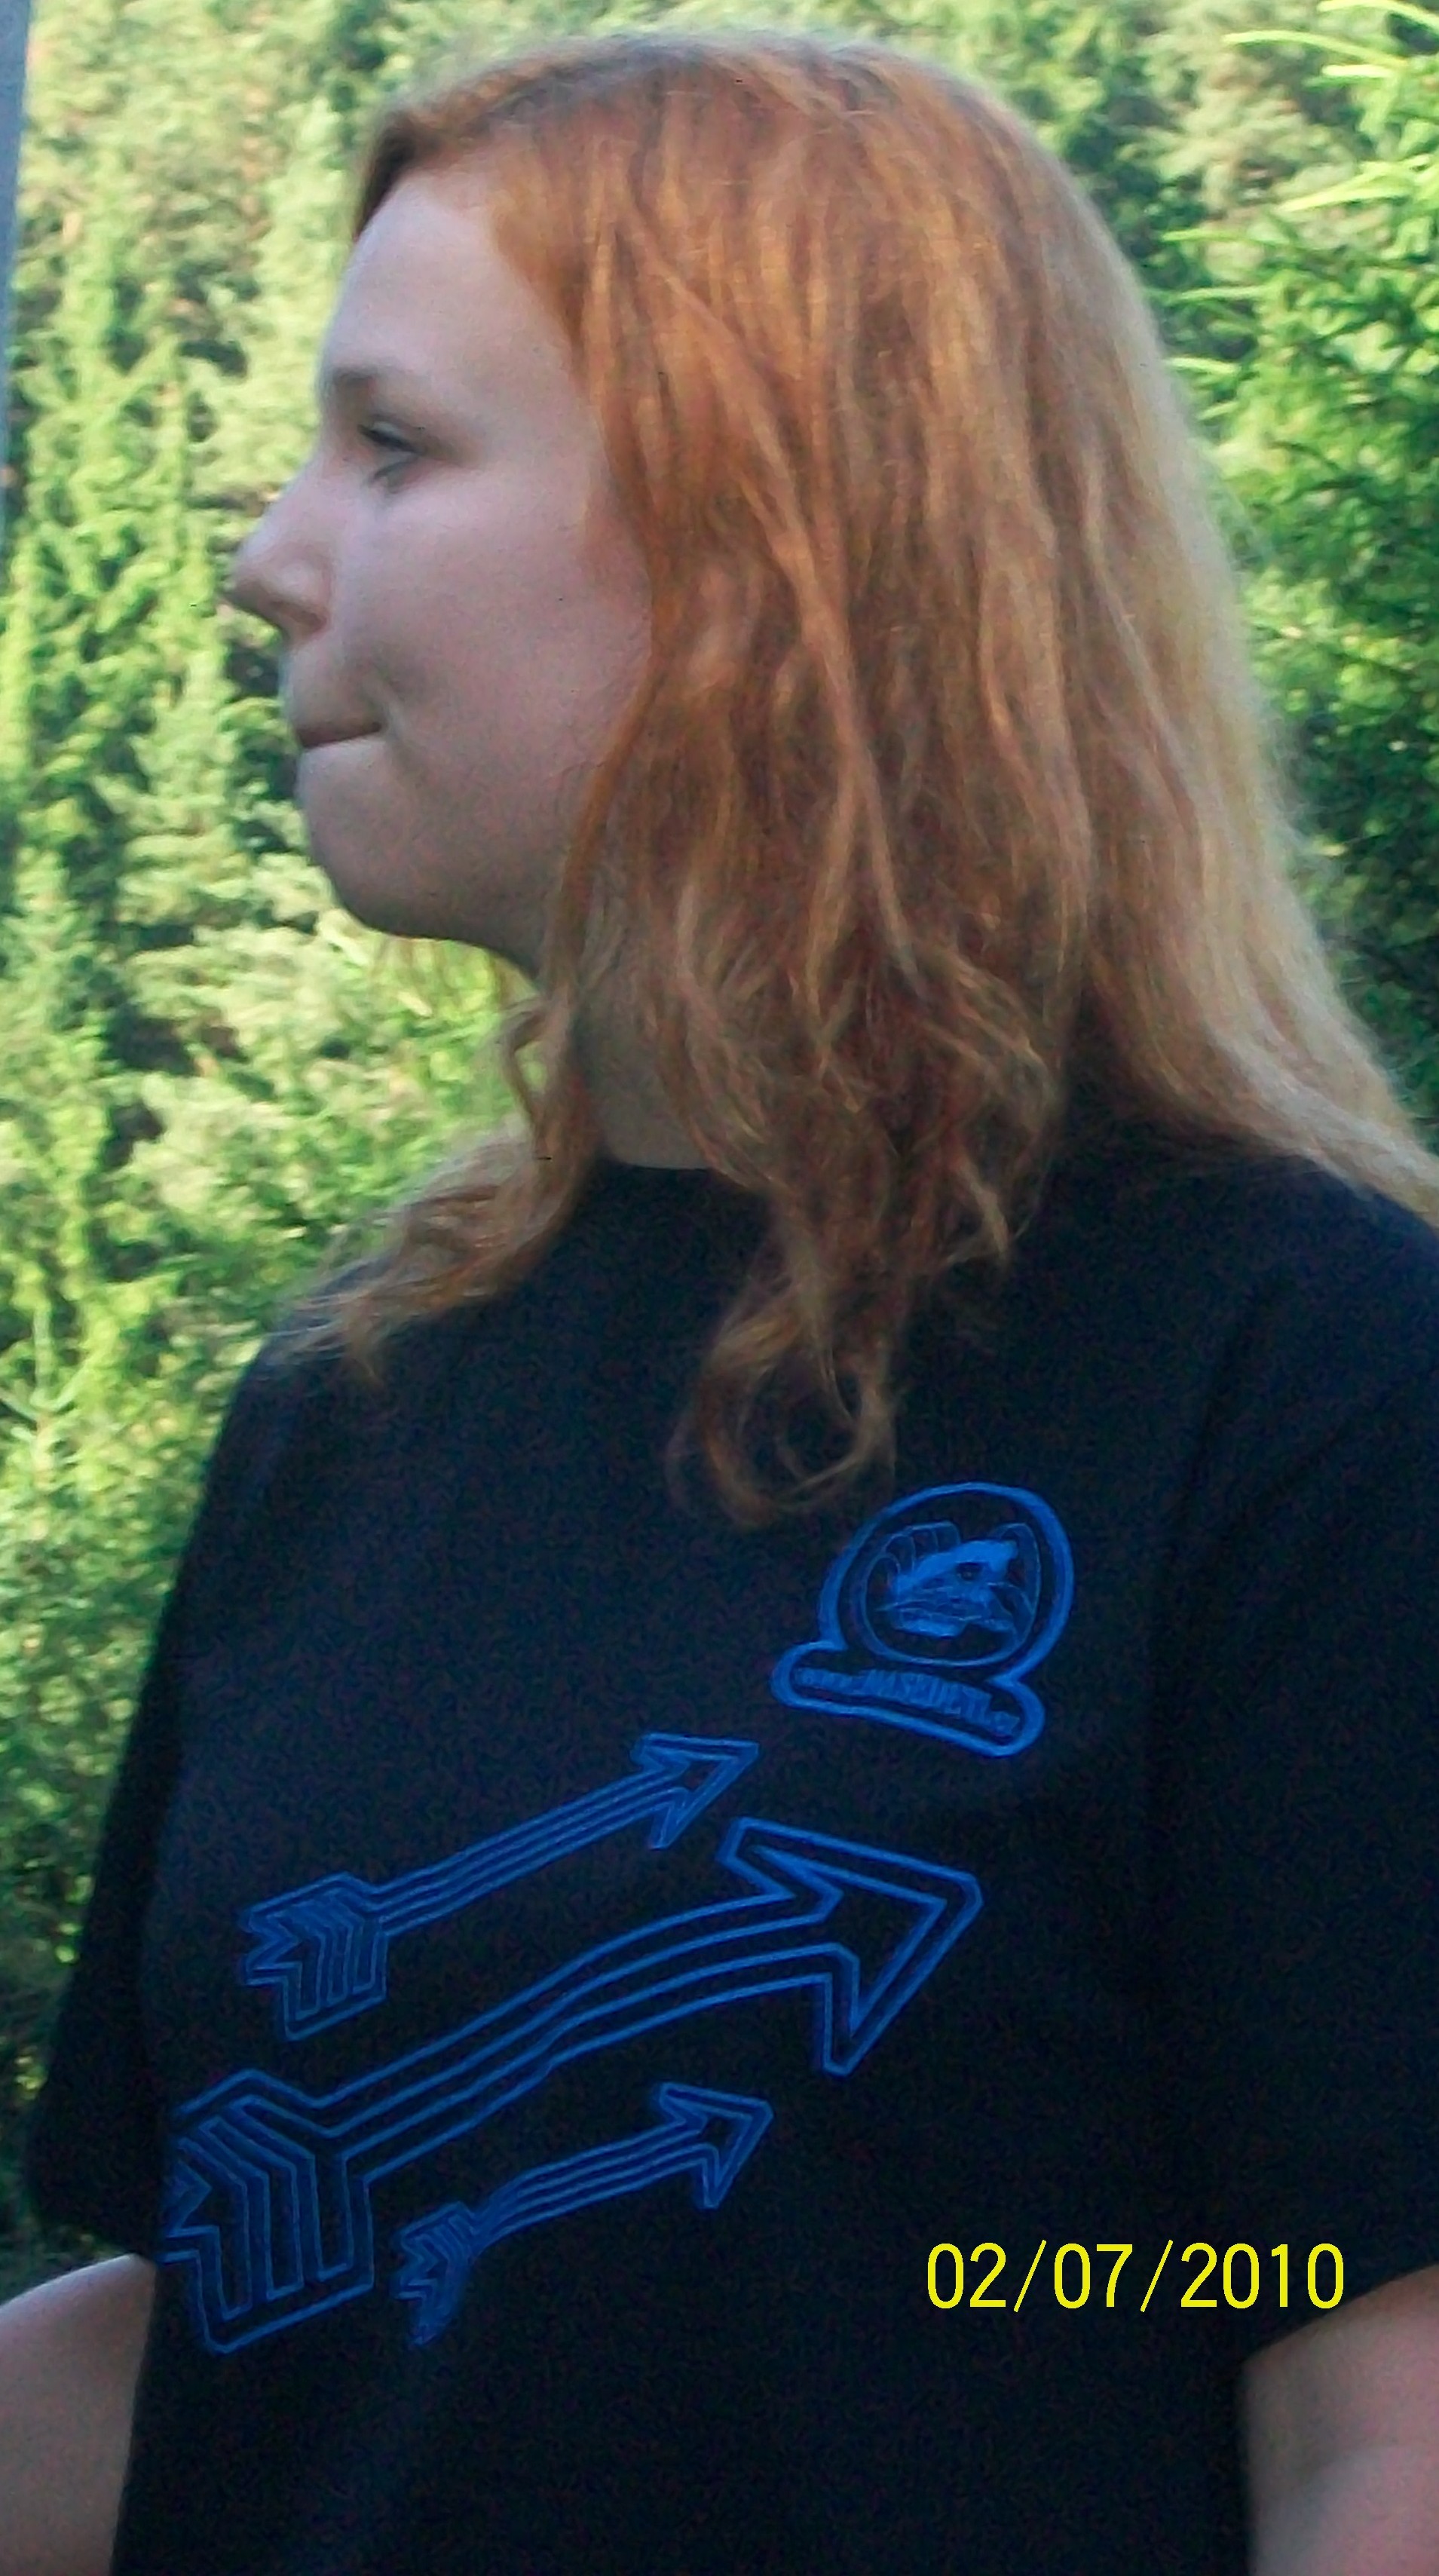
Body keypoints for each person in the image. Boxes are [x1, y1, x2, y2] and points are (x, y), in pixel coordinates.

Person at [7, 23, 1439, 2576]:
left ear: (776, 547)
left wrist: (1022, 2297)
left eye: (394, 446)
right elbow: (228, 2324)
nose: (268, 557)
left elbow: (1381, 2392)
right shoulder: (356, 1394)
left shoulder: (1304, 1373)